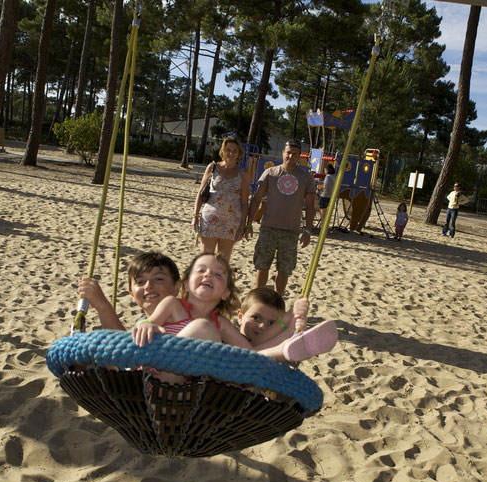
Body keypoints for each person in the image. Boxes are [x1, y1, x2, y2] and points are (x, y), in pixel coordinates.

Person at [131, 253, 338, 384]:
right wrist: (145, 325)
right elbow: (149, 321)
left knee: (238, 355)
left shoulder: (222, 324)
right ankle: (285, 348)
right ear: (184, 284)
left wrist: (289, 321)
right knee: (204, 328)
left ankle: (287, 349)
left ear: (226, 293)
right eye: (201, 270)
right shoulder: (172, 304)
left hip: (187, 386)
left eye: (218, 275)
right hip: (155, 374)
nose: (208, 275)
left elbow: (251, 353)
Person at [244, 139, 316, 295]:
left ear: (299, 156)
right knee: (262, 266)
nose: (291, 156)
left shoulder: (306, 177)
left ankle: (277, 301)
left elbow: (310, 206)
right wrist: (248, 223)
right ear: (283, 152)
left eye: (295, 154)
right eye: (288, 153)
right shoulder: (270, 173)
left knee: (284, 270)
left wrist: (308, 230)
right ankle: (259, 298)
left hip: (291, 231)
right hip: (268, 228)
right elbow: (256, 199)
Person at [78, 251, 181, 330]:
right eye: (140, 282)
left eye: (159, 279)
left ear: (176, 287)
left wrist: (104, 307)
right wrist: (101, 307)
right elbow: (123, 349)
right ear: (131, 294)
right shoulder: (141, 324)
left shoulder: (186, 319)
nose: (148, 286)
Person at [192, 135, 250, 261]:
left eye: (235, 151)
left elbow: (244, 203)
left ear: (239, 153)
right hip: (209, 220)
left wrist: (242, 226)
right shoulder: (213, 167)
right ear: (223, 151)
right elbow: (200, 194)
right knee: (205, 259)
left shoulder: (243, 174)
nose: (231, 153)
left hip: (231, 222)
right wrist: (195, 216)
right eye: (228, 150)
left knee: (223, 263)